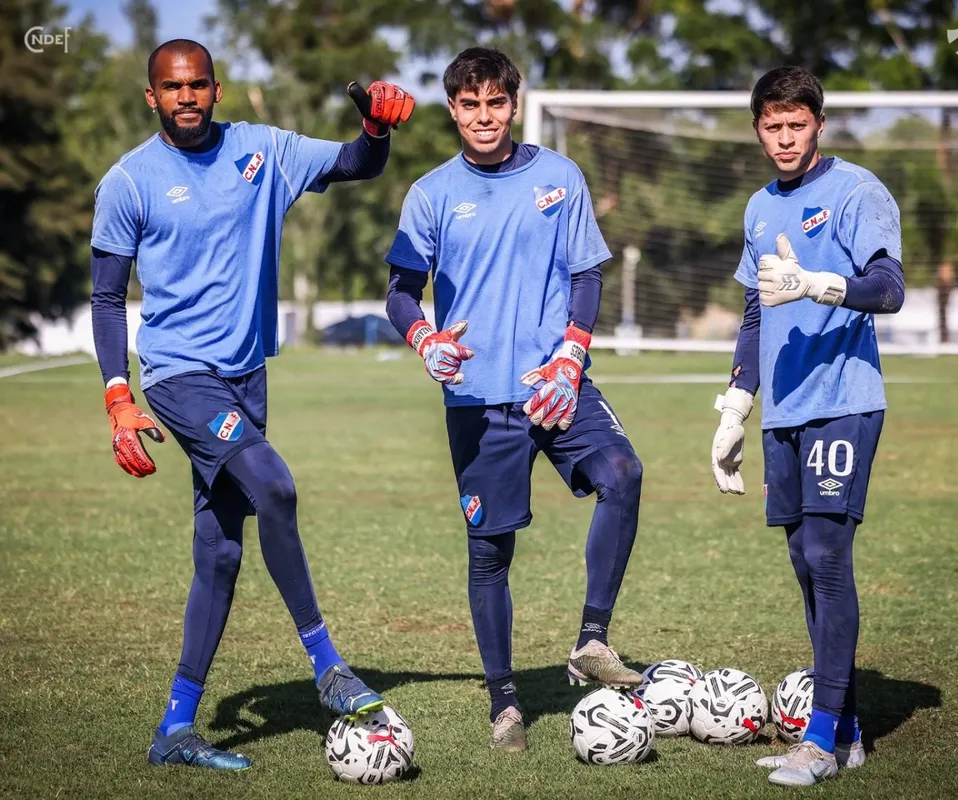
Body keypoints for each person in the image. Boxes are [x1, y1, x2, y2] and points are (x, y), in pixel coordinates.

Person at [89, 39, 414, 771]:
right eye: (173, 88)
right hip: (178, 377)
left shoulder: (264, 150)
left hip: (245, 378)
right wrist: (118, 397)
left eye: (199, 84)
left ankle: (175, 728)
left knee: (221, 553)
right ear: (153, 98)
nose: (187, 97)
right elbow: (108, 296)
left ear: (217, 90)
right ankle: (328, 666)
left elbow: (357, 165)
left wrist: (375, 129)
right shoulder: (129, 182)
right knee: (274, 484)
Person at [383, 47, 644, 753]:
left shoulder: (559, 179)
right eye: (469, 105)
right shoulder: (431, 193)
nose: (484, 117)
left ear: (515, 103)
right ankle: (505, 705)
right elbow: (401, 291)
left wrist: (571, 353)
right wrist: (424, 339)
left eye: (495, 102)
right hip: (478, 400)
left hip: (557, 385)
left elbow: (586, 274)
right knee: (490, 552)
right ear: (452, 111)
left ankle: (592, 640)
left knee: (623, 475)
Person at [710, 66, 905, 787]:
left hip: (844, 399)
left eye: (798, 125)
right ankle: (845, 727)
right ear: (759, 129)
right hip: (786, 409)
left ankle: (819, 740)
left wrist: (822, 284)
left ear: (817, 125)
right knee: (803, 564)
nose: (786, 138)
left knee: (826, 555)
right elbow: (757, 312)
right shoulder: (760, 208)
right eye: (773, 127)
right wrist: (736, 407)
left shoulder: (856, 190)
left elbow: (889, 288)